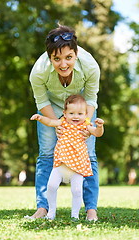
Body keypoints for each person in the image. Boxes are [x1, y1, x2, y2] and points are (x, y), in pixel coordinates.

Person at [28, 24, 101, 221]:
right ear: (49, 56)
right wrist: (57, 122)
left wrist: (85, 123)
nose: (63, 64)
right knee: (46, 155)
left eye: (68, 57)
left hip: (81, 108)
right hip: (50, 107)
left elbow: (91, 98)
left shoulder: (90, 66)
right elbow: (41, 101)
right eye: (56, 59)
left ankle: (91, 209)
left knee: (90, 155)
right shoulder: (38, 72)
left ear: (75, 54)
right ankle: (43, 208)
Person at [30, 95, 104, 220]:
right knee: (51, 186)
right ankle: (51, 213)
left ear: (86, 114)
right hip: (60, 164)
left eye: (80, 113)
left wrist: (100, 126)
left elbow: (97, 133)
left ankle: (75, 215)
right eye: (71, 113)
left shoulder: (85, 126)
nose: (75, 116)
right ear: (64, 113)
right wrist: (40, 118)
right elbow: (50, 122)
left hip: (77, 166)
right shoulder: (62, 122)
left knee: (77, 191)